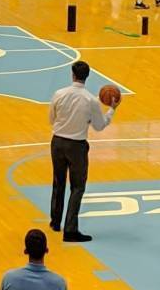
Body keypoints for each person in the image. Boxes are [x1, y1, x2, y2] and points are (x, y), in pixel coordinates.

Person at [47, 60, 114, 243]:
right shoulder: (91, 100)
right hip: (76, 146)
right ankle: (70, 230)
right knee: (77, 187)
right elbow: (99, 126)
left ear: (72, 74)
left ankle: (55, 221)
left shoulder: (59, 94)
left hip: (57, 142)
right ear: (87, 76)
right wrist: (111, 111)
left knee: (58, 182)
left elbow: (51, 119)